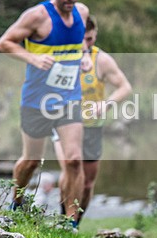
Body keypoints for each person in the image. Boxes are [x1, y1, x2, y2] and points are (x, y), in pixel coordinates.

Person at [0, 0, 90, 228]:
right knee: (31, 160)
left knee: (73, 160)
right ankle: (16, 200)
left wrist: (83, 58)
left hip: (69, 98)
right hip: (36, 101)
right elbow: (4, 42)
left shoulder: (82, 12)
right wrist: (33, 58)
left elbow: (80, 42)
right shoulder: (37, 16)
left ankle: (71, 222)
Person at [53, 16, 132, 224]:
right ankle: (65, 218)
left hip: (92, 126)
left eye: (90, 39)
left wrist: (106, 104)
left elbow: (125, 87)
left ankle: (75, 222)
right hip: (64, 122)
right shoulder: (63, 55)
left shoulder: (102, 60)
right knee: (71, 167)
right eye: (82, 39)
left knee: (87, 183)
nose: (86, 44)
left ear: (95, 35)